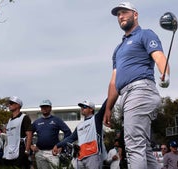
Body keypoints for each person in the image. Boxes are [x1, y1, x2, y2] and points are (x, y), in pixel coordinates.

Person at [103, 2, 170, 169]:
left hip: (141, 90)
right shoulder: (118, 49)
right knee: (144, 147)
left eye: (124, 12)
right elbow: (114, 81)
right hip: (126, 96)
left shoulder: (145, 34)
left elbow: (159, 57)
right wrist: (108, 108)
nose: (121, 16)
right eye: (118, 14)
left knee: (133, 144)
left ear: (135, 14)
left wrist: (165, 73)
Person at [52, 100, 107, 169]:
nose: (82, 108)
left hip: (93, 155)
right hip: (81, 157)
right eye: (81, 107)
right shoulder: (79, 126)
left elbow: (104, 106)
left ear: (91, 109)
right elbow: (71, 138)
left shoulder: (96, 119)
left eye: (84, 107)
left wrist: (113, 91)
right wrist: (58, 145)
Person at [31, 99, 72, 169]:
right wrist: (31, 146)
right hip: (40, 152)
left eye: (47, 106)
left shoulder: (56, 120)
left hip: (53, 152)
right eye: (43, 107)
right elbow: (28, 134)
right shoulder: (36, 122)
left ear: (50, 108)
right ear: (40, 108)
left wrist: (61, 146)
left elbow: (68, 132)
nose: (44, 108)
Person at [1, 96, 32, 169]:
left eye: (11, 103)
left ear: (18, 105)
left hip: (20, 149)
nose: (9, 105)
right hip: (10, 150)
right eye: (9, 104)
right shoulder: (9, 120)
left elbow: (29, 134)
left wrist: (27, 150)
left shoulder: (24, 117)